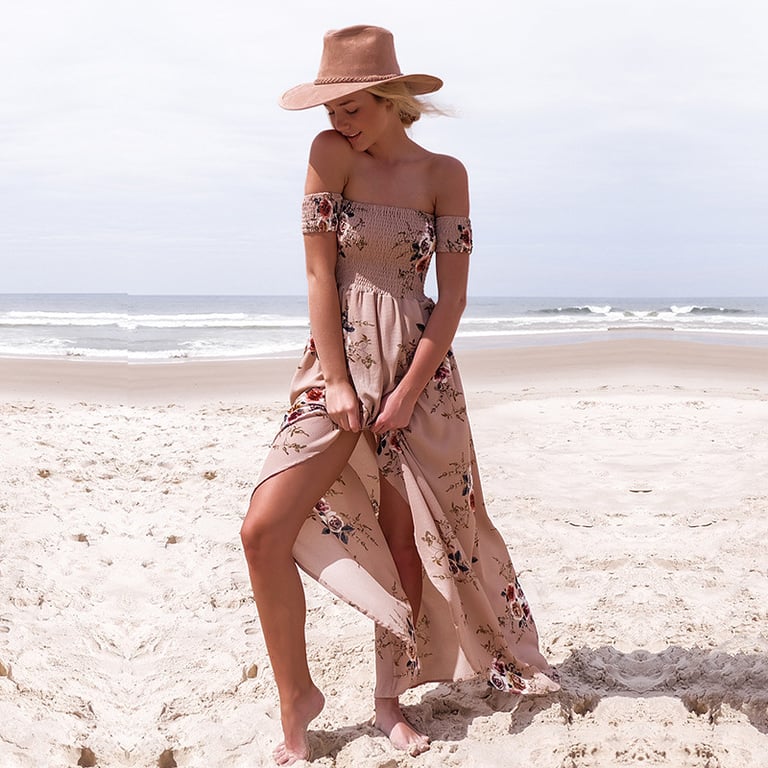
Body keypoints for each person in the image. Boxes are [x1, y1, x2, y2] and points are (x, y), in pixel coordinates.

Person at [240, 24, 559, 766]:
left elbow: (452, 300)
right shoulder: (329, 156)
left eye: (351, 107)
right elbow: (319, 275)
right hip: (338, 362)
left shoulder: (446, 174)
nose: (338, 120)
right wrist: (338, 379)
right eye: (331, 108)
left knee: (408, 535)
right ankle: (297, 696)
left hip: (420, 372)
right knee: (263, 530)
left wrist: (409, 391)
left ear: (391, 98)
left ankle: (390, 701)